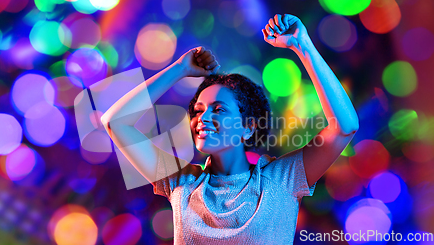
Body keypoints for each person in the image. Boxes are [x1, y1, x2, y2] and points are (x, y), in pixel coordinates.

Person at [101, 13, 359, 244]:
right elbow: (115, 122)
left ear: (248, 128)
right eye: (198, 110)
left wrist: (303, 46)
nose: (201, 118)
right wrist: (179, 69)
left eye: (219, 109)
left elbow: (345, 127)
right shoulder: (182, 183)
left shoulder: (282, 180)